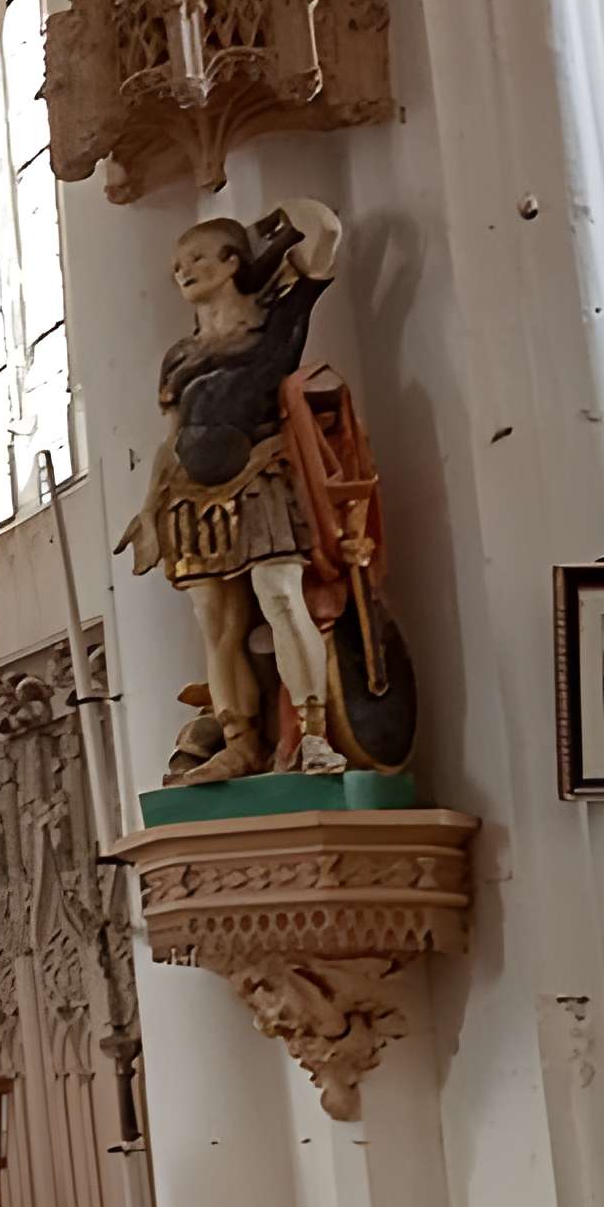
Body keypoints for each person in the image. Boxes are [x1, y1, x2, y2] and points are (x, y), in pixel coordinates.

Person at [120, 200, 366, 783]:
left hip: (257, 476)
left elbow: (325, 233)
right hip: (188, 494)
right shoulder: (180, 355)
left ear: (234, 262)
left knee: (282, 596)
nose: (185, 269)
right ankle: (237, 741)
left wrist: (278, 226)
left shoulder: (276, 318)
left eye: (201, 256)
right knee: (216, 623)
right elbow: (171, 437)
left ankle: (313, 736)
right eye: (179, 262)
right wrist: (150, 508)